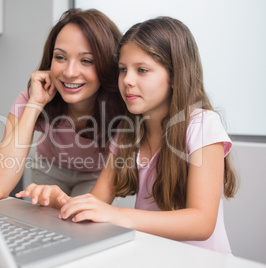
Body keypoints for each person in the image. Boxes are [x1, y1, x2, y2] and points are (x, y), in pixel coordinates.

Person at [16, 16, 238, 254]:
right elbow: (97, 204)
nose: (127, 80)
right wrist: (59, 199)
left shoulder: (202, 125)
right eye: (123, 69)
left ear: (175, 75)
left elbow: (201, 223)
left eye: (142, 70)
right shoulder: (127, 134)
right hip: (152, 256)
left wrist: (115, 215)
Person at [0, 9, 124, 199]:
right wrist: (35, 104)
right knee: (40, 224)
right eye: (60, 57)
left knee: (81, 225)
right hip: (49, 169)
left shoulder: (121, 106)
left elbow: (91, 208)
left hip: (97, 175)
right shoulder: (33, 95)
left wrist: (61, 204)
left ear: (107, 64)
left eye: (86, 60)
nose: (69, 72)